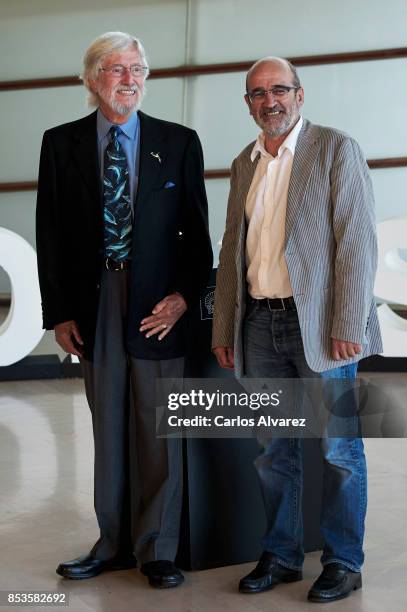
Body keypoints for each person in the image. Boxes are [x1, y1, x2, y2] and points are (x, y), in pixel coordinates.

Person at [36, 31, 212, 589]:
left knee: (159, 428)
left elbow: (198, 237)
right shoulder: (60, 144)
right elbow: (51, 232)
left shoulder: (179, 142)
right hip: (95, 303)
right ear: (92, 79)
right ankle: (111, 543)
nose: (129, 80)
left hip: (160, 305)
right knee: (107, 425)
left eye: (137, 69)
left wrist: (185, 297)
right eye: (117, 70)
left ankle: (157, 548)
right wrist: (59, 311)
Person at [212, 56, 382, 603]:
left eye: (279, 89)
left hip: (322, 327)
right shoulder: (245, 162)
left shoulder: (335, 149)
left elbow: (356, 242)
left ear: (300, 95)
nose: (270, 101)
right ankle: (283, 555)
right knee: (273, 449)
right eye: (258, 94)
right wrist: (224, 326)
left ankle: (342, 561)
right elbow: (230, 251)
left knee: (338, 449)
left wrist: (347, 322)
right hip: (260, 325)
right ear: (248, 104)